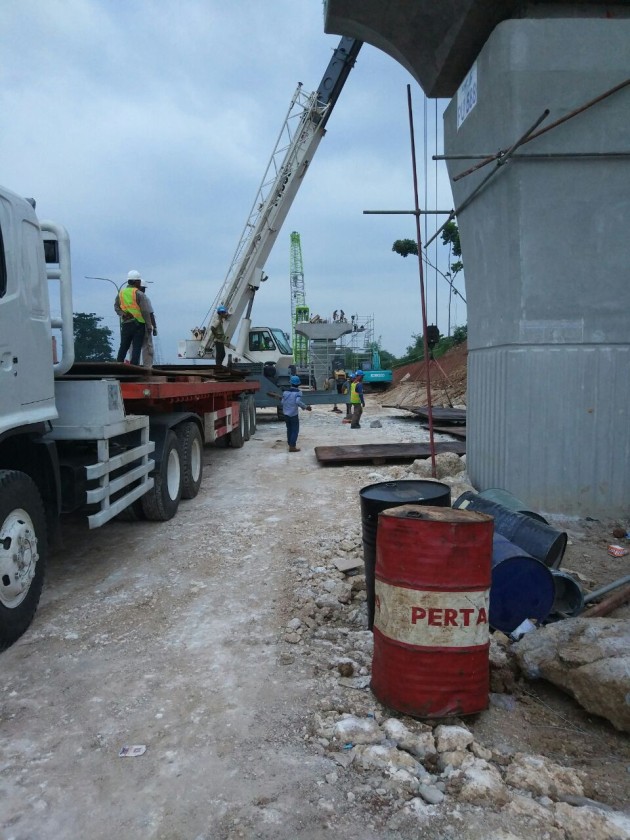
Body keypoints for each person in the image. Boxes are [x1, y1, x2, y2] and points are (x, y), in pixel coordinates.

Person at [115, 270, 154, 366]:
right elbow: (145, 311)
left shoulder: (121, 293)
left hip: (126, 323)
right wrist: (149, 326)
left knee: (124, 346)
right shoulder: (139, 294)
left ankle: (118, 364)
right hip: (138, 324)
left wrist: (123, 314)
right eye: (139, 281)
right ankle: (134, 366)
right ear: (136, 282)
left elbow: (116, 307)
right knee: (136, 347)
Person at [282, 374, 312, 452]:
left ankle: (290, 443)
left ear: (290, 383)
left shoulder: (285, 392)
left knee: (289, 429)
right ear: (298, 384)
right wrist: (306, 407)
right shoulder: (298, 392)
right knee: (295, 430)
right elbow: (297, 402)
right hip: (293, 414)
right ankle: (292, 446)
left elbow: (282, 402)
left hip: (285, 414)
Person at [139, 284, 157, 368]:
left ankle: (134, 366)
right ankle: (147, 367)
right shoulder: (145, 298)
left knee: (134, 348)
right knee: (147, 348)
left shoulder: (130, 298)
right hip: (145, 326)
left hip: (132, 326)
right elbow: (150, 314)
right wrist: (154, 327)